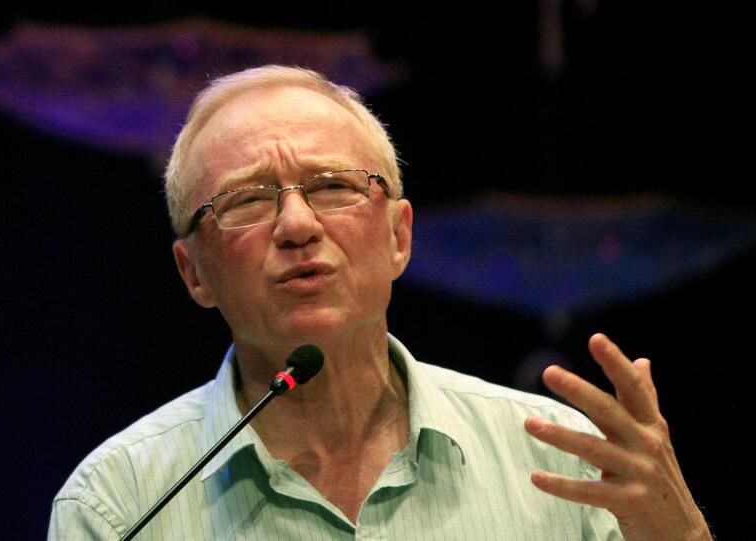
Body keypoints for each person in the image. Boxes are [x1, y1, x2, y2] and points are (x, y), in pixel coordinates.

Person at [48, 65, 712, 540]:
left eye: (332, 185)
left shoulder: (563, 460)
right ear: (193, 272)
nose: (297, 224)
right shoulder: (118, 504)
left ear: (398, 235)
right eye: (248, 200)